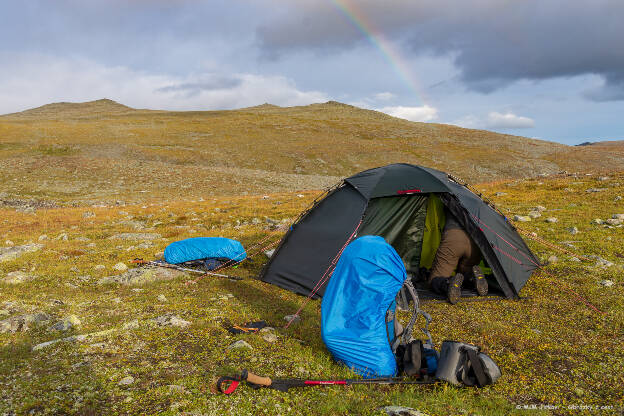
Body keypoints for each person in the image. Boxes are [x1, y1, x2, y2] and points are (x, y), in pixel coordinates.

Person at [428, 209, 487, 304]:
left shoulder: (452, 195)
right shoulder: (479, 201)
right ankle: (472, 278)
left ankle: (448, 283)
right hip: (476, 242)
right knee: (464, 272)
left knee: (435, 280)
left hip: (454, 238)